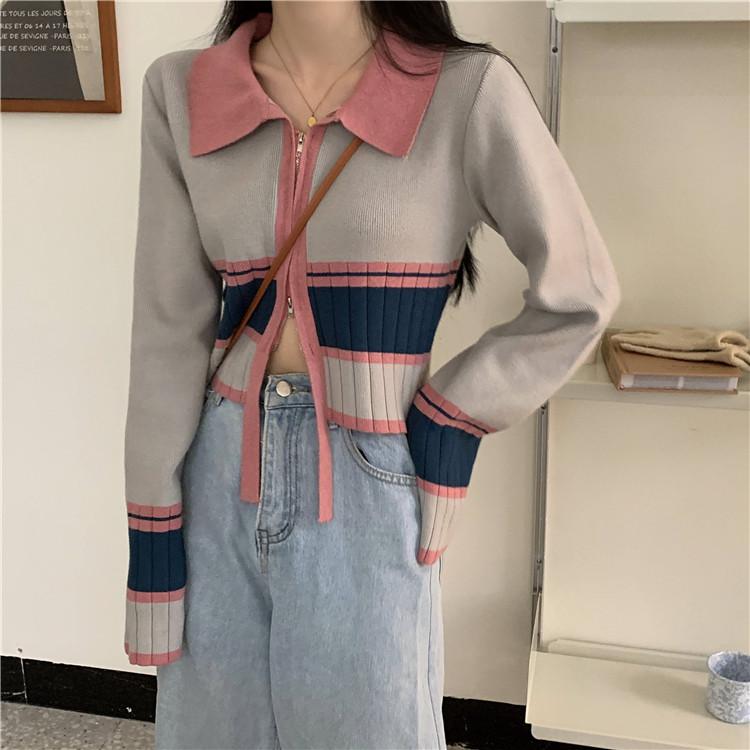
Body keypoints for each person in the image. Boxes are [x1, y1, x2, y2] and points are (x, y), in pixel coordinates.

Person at [123, 2, 621, 748]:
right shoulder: (182, 89)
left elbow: (581, 295)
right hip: (217, 467)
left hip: (372, 478)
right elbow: (167, 328)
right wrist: (153, 525)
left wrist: (452, 419)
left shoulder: (464, 90)